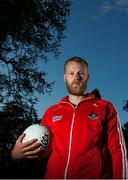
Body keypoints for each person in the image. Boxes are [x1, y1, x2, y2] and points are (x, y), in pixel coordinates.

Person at [11, 56, 128, 179]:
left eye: (81, 73)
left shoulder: (105, 107)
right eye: (71, 73)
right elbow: (41, 153)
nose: (76, 77)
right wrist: (16, 155)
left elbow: (118, 150)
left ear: (88, 77)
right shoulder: (51, 112)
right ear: (65, 77)